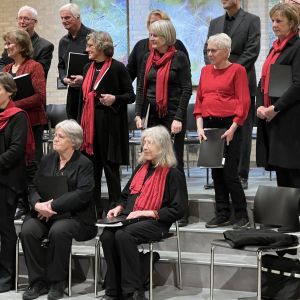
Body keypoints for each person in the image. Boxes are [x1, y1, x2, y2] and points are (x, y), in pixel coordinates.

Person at [100, 125, 186, 300]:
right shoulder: (141, 169)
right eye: (144, 142)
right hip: (132, 218)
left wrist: (148, 213)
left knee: (123, 236)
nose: (144, 147)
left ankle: (133, 290)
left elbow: (178, 209)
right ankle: (114, 287)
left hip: (157, 222)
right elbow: (124, 196)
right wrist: (119, 207)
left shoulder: (173, 174)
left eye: (150, 143)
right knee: (107, 236)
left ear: (162, 146)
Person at [21, 120, 97, 300]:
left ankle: (57, 282)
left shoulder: (84, 164)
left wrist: (52, 206)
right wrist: (38, 204)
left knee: (59, 230)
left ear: (73, 141)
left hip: (76, 217)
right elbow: (33, 186)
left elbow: (82, 194)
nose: (54, 139)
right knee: (28, 230)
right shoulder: (48, 160)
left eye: (60, 136)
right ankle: (38, 282)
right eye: (55, 135)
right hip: (44, 214)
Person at [135, 19, 192, 227]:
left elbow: (187, 89)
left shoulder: (180, 58)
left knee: (174, 162)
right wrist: (139, 113)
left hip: (173, 115)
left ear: (166, 37)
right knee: (154, 161)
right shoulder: (146, 58)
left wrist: (178, 118)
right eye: (150, 35)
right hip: (154, 116)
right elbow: (141, 88)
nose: (151, 39)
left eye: (155, 36)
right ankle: (158, 204)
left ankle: (181, 210)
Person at [194, 33, 250, 229]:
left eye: (213, 50)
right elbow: (200, 100)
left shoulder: (238, 70)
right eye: (208, 50)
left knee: (229, 173)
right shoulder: (205, 71)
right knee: (216, 172)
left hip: (230, 125)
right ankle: (223, 213)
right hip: (209, 125)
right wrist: (200, 127)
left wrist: (234, 126)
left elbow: (243, 101)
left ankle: (242, 215)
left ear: (226, 52)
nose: (209, 54)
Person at [204, 0, 261, 189]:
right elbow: (208, 52)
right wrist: (216, 71)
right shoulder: (215, 22)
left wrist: (231, 72)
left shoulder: (252, 20)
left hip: (240, 81)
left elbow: (252, 51)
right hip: (217, 87)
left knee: (242, 132)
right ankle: (219, 176)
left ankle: (240, 175)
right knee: (218, 131)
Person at [79, 31, 135, 219]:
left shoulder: (118, 68)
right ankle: (94, 209)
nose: (86, 49)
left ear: (102, 47)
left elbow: (130, 95)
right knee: (91, 170)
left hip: (110, 127)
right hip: (90, 128)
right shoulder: (88, 67)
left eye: (90, 46)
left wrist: (115, 99)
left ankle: (115, 207)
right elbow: (84, 98)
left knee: (110, 170)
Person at [3, 29, 47, 219]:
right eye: (6, 43)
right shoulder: (5, 70)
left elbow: (40, 97)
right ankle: (16, 201)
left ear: (21, 45)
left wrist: (12, 105)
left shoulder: (34, 66)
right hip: (9, 124)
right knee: (14, 164)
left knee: (31, 165)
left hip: (31, 122)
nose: (6, 47)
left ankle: (31, 203)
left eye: (10, 43)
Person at [256, 3, 300, 188]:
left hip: (290, 121)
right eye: (272, 20)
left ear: (292, 23)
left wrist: (275, 108)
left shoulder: (297, 47)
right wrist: (259, 105)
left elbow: (299, 84)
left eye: (279, 21)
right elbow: (262, 83)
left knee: (294, 175)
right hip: (274, 120)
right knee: (283, 176)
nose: (274, 24)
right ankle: (288, 217)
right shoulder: (275, 48)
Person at [0, 72, 34, 292]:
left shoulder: (18, 116)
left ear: (9, 91)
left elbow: (15, 151)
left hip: (7, 180)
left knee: (5, 229)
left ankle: (7, 277)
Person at [126, 9, 190, 87]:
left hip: (173, 96)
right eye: (152, 23)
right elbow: (129, 73)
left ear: (166, 26)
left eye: (159, 22)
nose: (155, 26)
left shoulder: (177, 45)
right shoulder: (140, 46)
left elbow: (185, 75)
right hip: (145, 96)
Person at [58, 3, 93, 120]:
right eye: (62, 18)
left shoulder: (92, 37)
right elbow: (61, 65)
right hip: (72, 93)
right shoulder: (63, 41)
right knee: (72, 128)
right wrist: (64, 78)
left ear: (77, 17)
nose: (63, 21)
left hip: (90, 92)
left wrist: (84, 79)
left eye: (67, 17)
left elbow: (99, 64)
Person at [0, 5, 54, 78]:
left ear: (35, 22)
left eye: (26, 19)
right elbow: (2, 62)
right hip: (8, 87)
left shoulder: (45, 46)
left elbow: (40, 73)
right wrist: (8, 79)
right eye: (20, 18)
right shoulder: (10, 43)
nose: (22, 22)